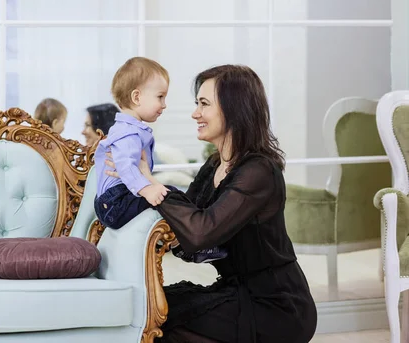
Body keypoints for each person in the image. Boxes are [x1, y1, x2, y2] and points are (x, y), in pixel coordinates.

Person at [104, 65, 317, 343]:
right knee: (149, 310)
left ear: (234, 109)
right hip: (234, 292)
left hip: (276, 306)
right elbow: (182, 220)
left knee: (160, 326)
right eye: (197, 104)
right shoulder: (214, 166)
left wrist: (149, 183)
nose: (195, 113)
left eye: (204, 104)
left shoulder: (258, 172)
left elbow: (199, 232)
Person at [95, 57, 226, 263]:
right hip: (114, 202)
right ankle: (189, 247)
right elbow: (125, 166)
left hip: (117, 198)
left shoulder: (131, 129)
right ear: (137, 97)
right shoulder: (127, 133)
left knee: (172, 194)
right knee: (169, 195)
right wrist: (147, 189)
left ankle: (187, 245)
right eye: (160, 97)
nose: (164, 105)